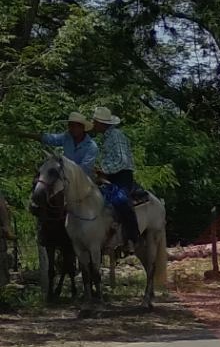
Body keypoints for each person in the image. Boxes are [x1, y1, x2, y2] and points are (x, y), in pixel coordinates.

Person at [89, 106, 142, 248]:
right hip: (110, 175)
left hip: (121, 175)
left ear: (102, 123)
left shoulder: (116, 136)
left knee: (120, 200)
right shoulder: (106, 138)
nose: (93, 124)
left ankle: (132, 236)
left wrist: (104, 170)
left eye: (95, 122)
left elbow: (122, 160)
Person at [17, 112, 98, 176]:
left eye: (75, 126)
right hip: (65, 174)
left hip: (82, 178)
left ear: (82, 128)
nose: (72, 129)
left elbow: (85, 169)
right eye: (70, 126)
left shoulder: (91, 146)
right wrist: (27, 135)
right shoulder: (67, 137)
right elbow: (51, 139)